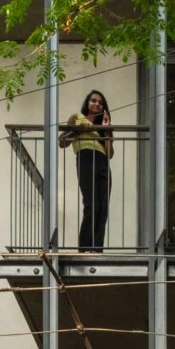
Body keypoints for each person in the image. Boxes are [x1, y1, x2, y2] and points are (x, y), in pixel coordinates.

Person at [60, 89, 113, 252]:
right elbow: (62, 142)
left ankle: (97, 250)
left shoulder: (103, 127)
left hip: (103, 163)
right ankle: (84, 249)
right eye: (94, 101)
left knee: (103, 209)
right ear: (87, 103)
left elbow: (109, 153)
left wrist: (107, 130)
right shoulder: (77, 117)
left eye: (100, 102)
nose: (97, 104)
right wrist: (79, 129)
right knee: (91, 205)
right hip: (86, 159)